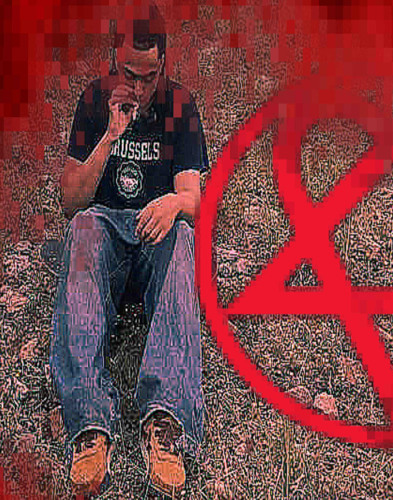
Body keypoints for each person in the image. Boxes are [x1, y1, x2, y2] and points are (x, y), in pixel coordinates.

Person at [49, 3, 208, 497]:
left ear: (165, 62)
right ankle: (90, 422)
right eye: (128, 74)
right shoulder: (94, 100)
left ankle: (165, 420)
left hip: (153, 236)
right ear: (114, 61)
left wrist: (174, 202)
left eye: (148, 76)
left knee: (183, 235)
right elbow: (70, 200)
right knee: (83, 226)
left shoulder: (180, 105)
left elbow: (194, 199)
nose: (138, 89)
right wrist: (109, 137)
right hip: (107, 238)